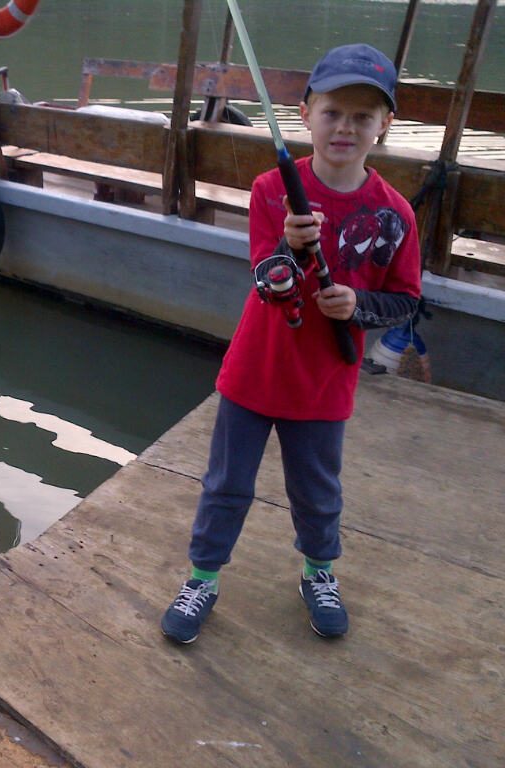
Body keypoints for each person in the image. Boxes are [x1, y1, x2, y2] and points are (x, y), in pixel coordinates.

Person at [161, 44, 421, 644]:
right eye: (333, 112)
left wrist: (358, 306)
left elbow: (406, 300)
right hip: (254, 373)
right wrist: (290, 248)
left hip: (326, 382)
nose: (345, 128)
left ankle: (319, 572)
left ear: (385, 126)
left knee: (317, 489)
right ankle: (203, 577)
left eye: (363, 116)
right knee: (226, 483)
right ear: (305, 114)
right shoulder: (270, 190)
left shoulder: (396, 215)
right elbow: (265, 281)